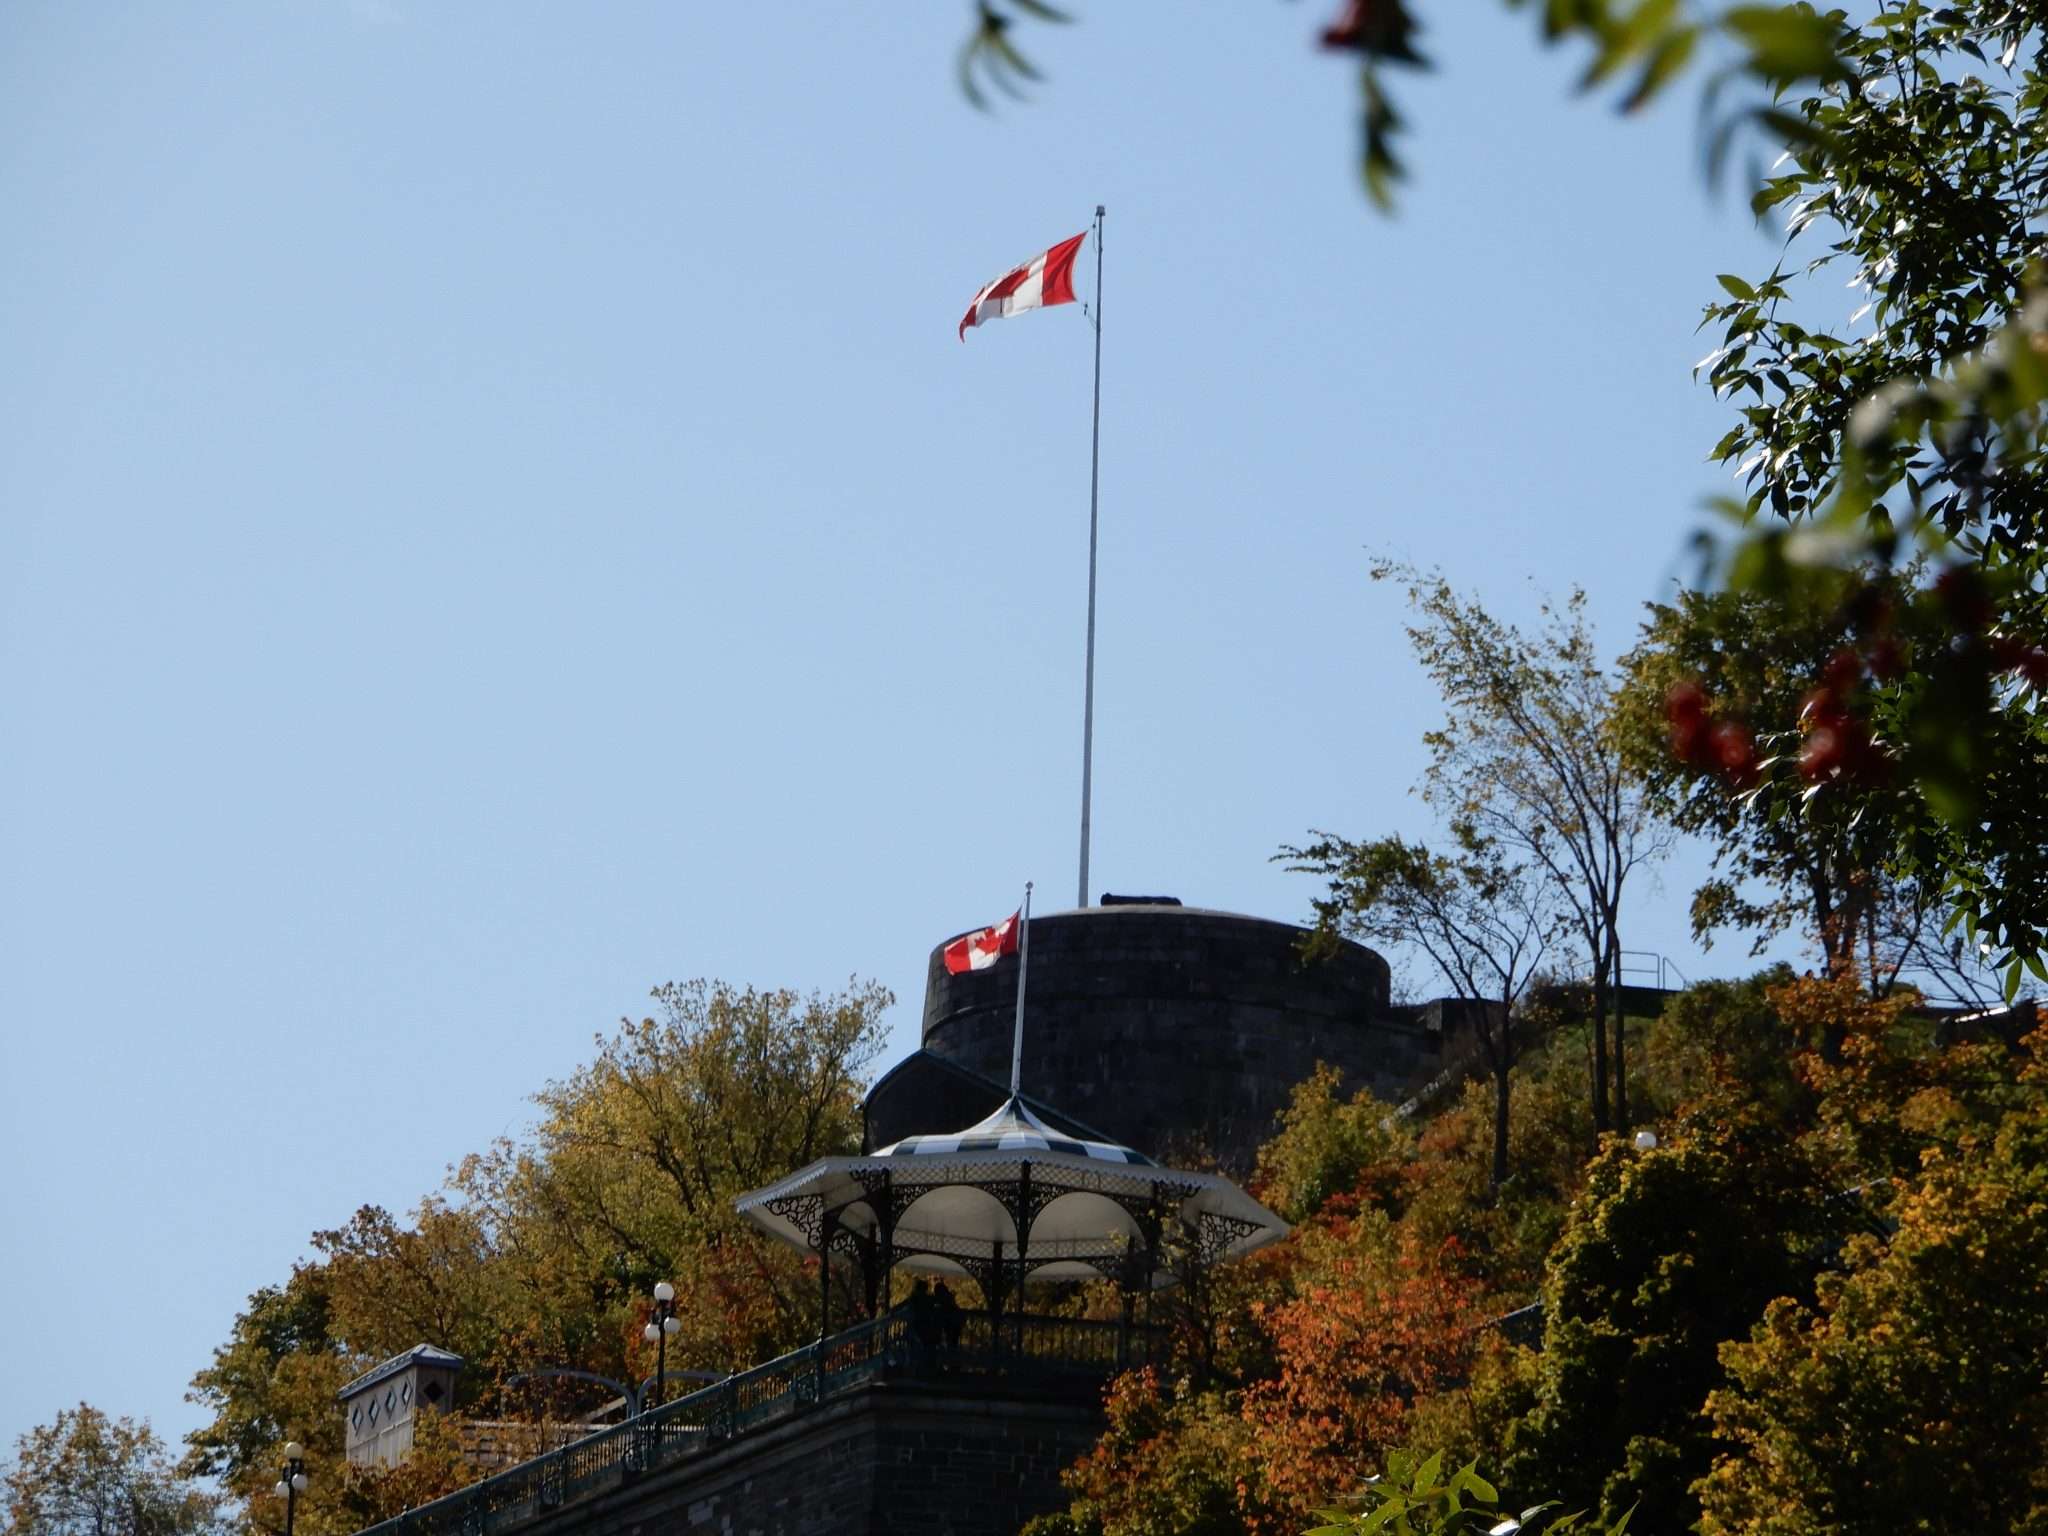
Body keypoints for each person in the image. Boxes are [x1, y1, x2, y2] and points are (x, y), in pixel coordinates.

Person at [932, 1279, 964, 1359]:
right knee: (952, 1344)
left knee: (951, 1343)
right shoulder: (948, 1298)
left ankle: (950, 1360)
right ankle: (951, 1360)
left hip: (952, 1324)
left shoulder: (946, 1299)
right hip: (952, 1324)